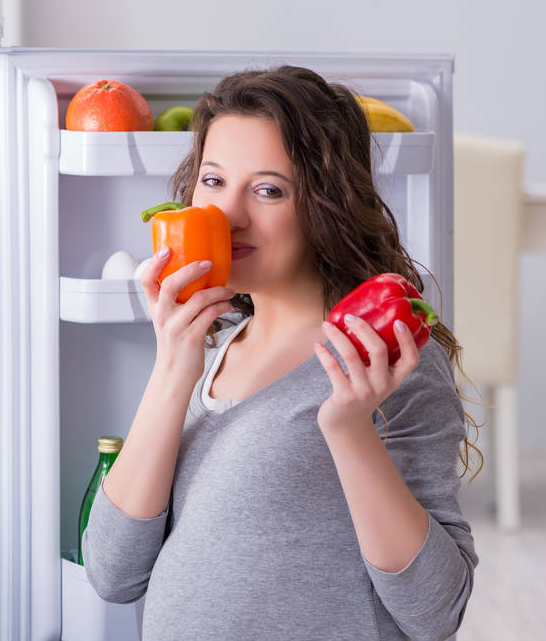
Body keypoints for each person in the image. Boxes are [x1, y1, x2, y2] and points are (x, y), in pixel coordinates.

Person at [82, 65, 479, 641]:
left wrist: (348, 428)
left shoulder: (381, 362)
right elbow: (113, 573)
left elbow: (435, 612)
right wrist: (173, 365)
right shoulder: (211, 350)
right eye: (213, 181)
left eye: (268, 190)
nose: (227, 215)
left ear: (327, 203)